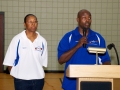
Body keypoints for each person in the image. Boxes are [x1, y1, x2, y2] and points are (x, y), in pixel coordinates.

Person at [57, 9, 111, 90]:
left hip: (94, 84)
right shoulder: (68, 37)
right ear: (77, 20)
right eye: (84, 17)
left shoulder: (98, 38)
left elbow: (106, 60)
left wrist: (102, 72)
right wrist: (77, 45)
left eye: (89, 18)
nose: (87, 20)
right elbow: (61, 60)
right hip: (72, 85)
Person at [3, 14, 48, 90]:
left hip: (38, 80)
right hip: (21, 81)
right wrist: (17, 75)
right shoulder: (17, 39)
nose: (33, 24)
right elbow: (9, 62)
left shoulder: (42, 41)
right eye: (30, 22)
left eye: (35, 22)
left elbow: (42, 62)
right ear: (24, 24)